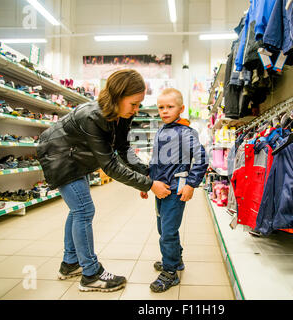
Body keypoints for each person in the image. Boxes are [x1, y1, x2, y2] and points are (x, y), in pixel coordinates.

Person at [37, 69, 171, 292]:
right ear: (118, 97)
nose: (137, 110)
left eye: (139, 104)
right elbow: (110, 165)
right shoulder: (93, 116)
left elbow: (123, 149)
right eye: (134, 104)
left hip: (75, 156)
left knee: (77, 210)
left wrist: (146, 172)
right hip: (59, 156)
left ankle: (70, 263)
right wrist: (149, 185)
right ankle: (91, 274)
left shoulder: (122, 115)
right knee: (83, 210)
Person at [140, 88, 209, 292]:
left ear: (181, 108)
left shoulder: (185, 132)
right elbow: (156, 161)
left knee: (168, 232)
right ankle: (175, 259)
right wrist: (146, 182)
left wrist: (191, 184)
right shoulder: (162, 130)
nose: (165, 111)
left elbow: (201, 159)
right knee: (163, 228)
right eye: (161, 107)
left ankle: (170, 272)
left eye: (170, 107)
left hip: (176, 189)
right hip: (160, 189)